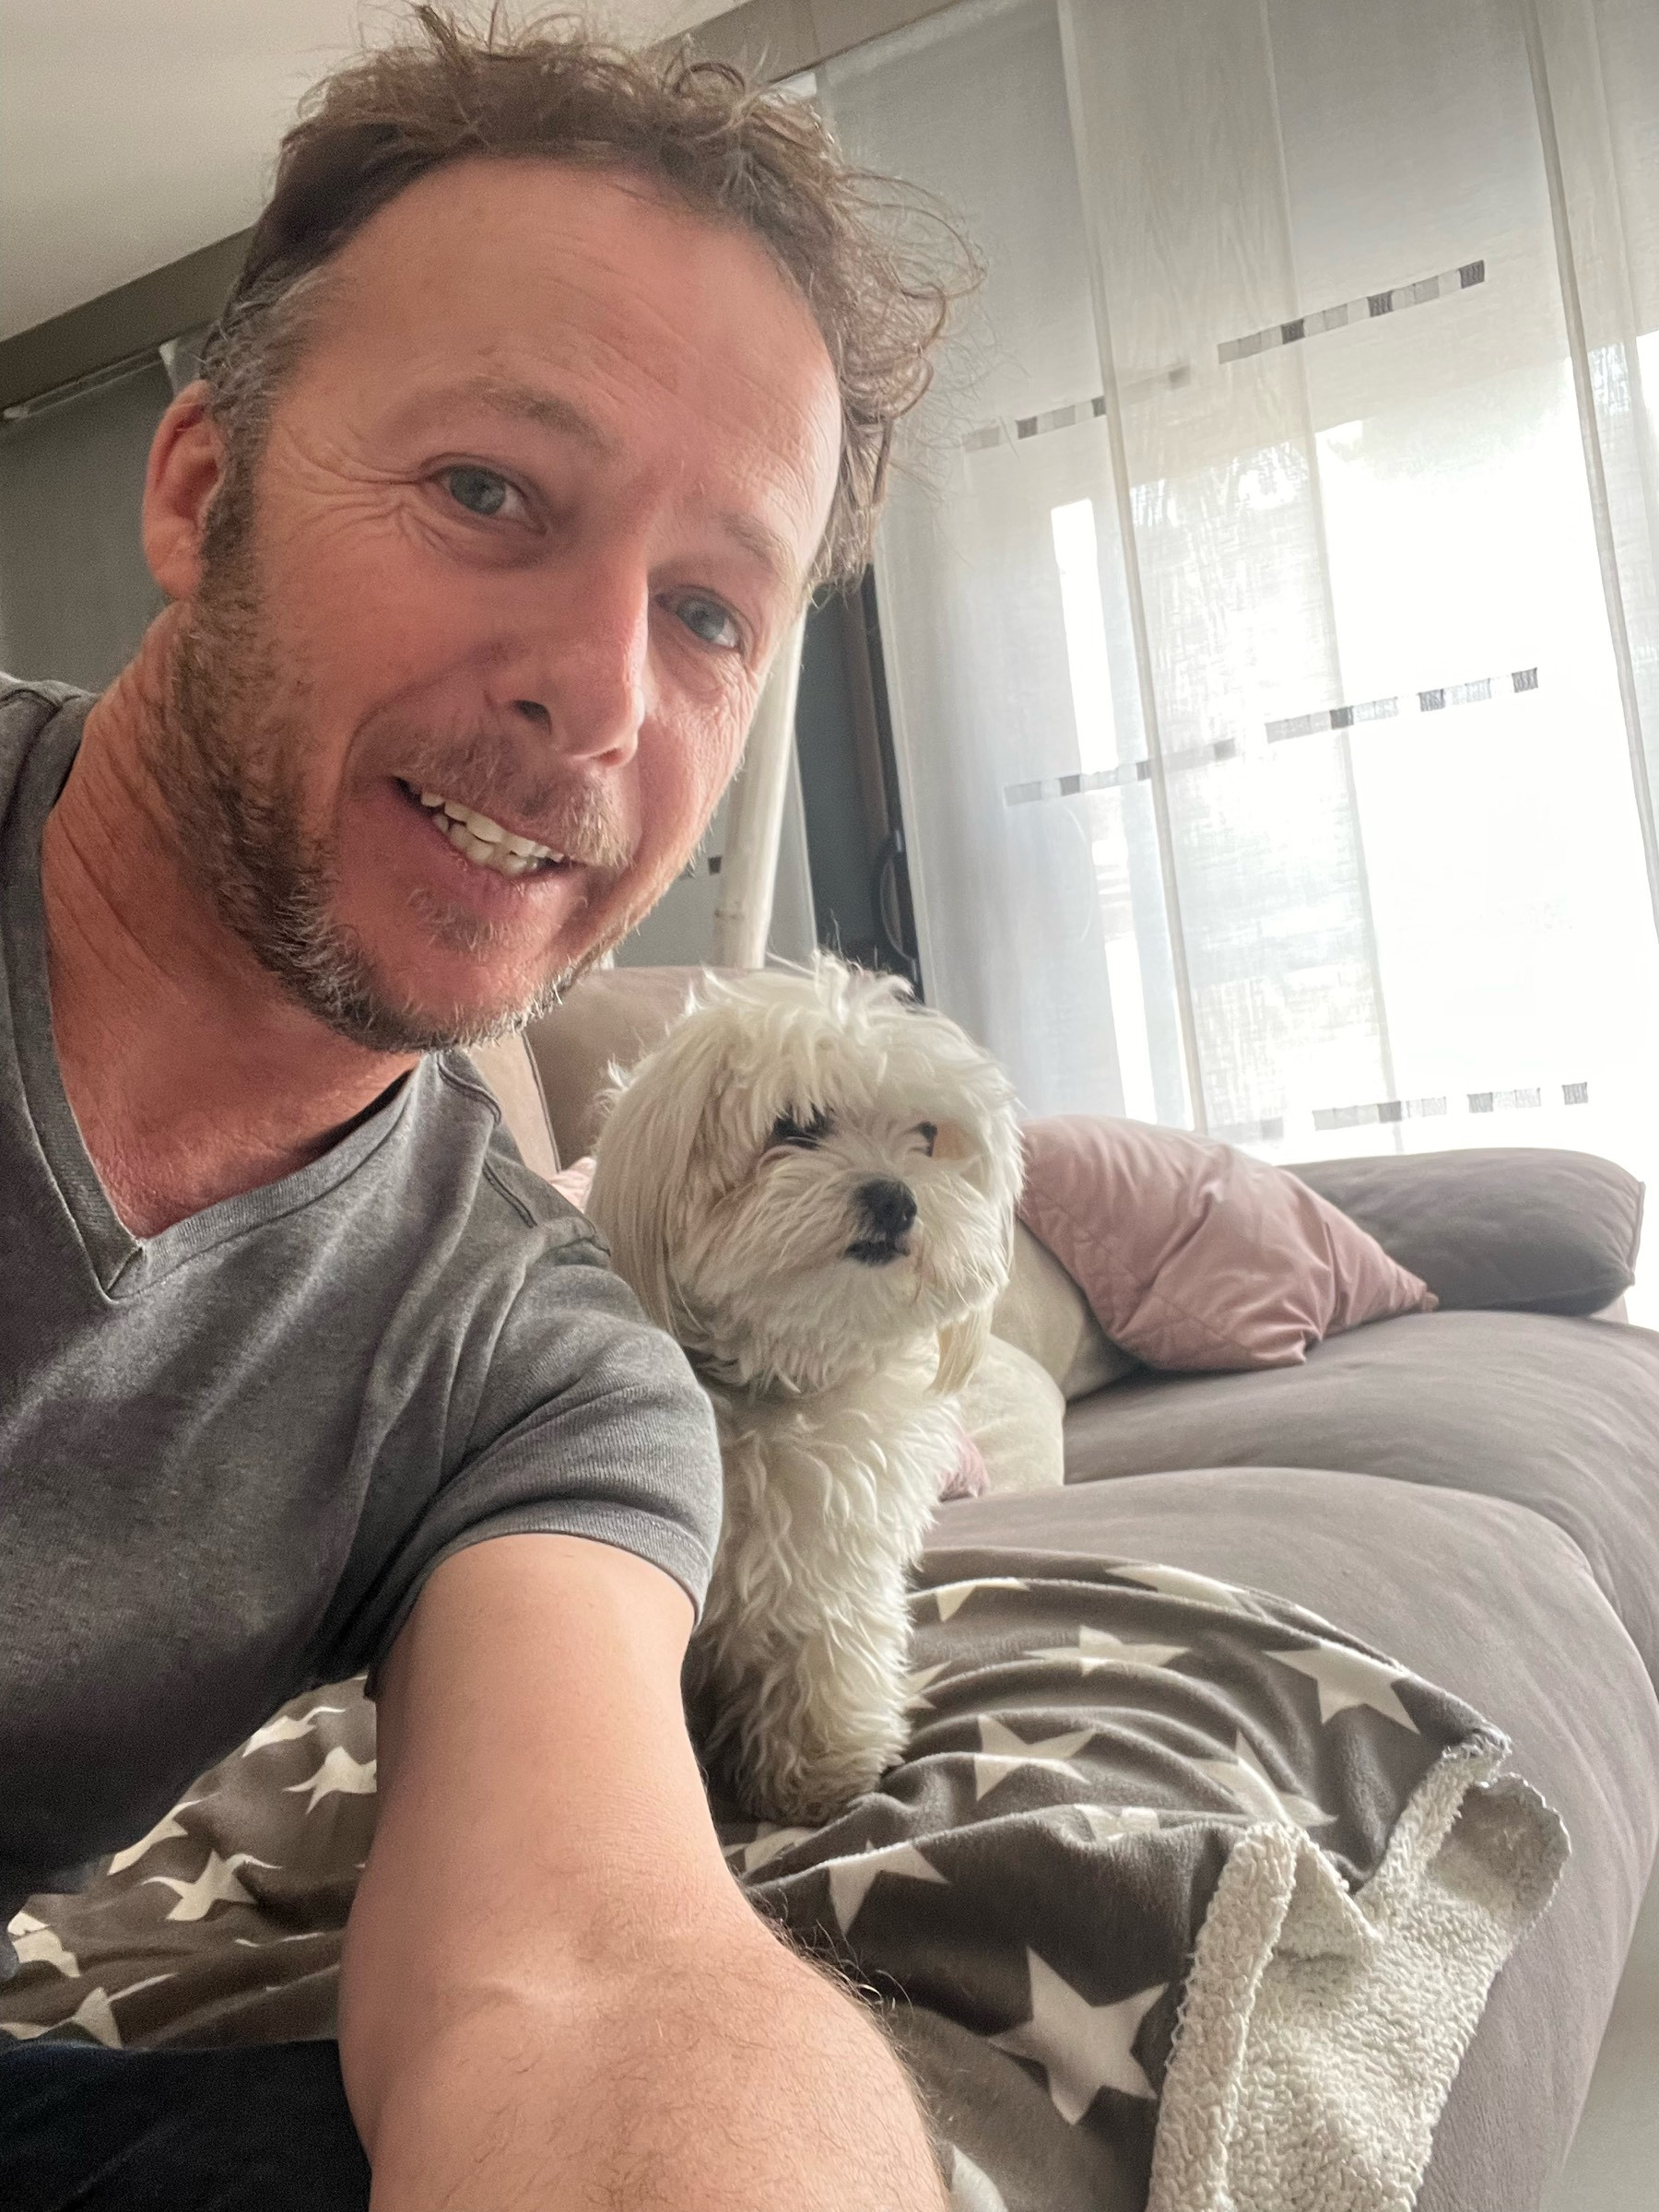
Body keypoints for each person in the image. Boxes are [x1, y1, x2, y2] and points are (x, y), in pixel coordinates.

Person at [0, 10, 966, 2205]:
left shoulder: (532, 1361)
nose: (601, 694)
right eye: (487, 493)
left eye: (709, 611)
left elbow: (589, 1976)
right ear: (201, 491)